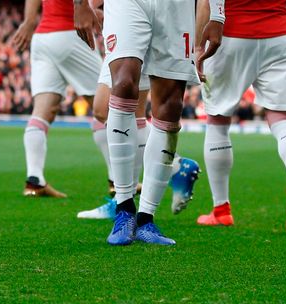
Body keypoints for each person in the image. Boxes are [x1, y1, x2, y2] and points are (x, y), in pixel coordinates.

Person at [74, 0, 223, 245]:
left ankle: (146, 218)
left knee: (171, 104)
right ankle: (123, 207)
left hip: (177, 7)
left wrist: (218, 15)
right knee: (122, 84)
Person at [195, 0, 286, 233]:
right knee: (283, 121)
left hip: (230, 36)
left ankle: (221, 210)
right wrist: (281, 17)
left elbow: (207, 3)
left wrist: (198, 46)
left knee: (218, 121)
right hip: (279, 36)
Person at [77, 42, 202, 220]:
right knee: (117, 112)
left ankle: (172, 168)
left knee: (113, 109)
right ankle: (126, 199)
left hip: (137, 27)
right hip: (121, 26)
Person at [12, 0, 103, 197]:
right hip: (71, 33)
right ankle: (119, 181)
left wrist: (29, 21)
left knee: (43, 111)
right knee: (109, 108)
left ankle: (34, 180)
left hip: (43, 38)